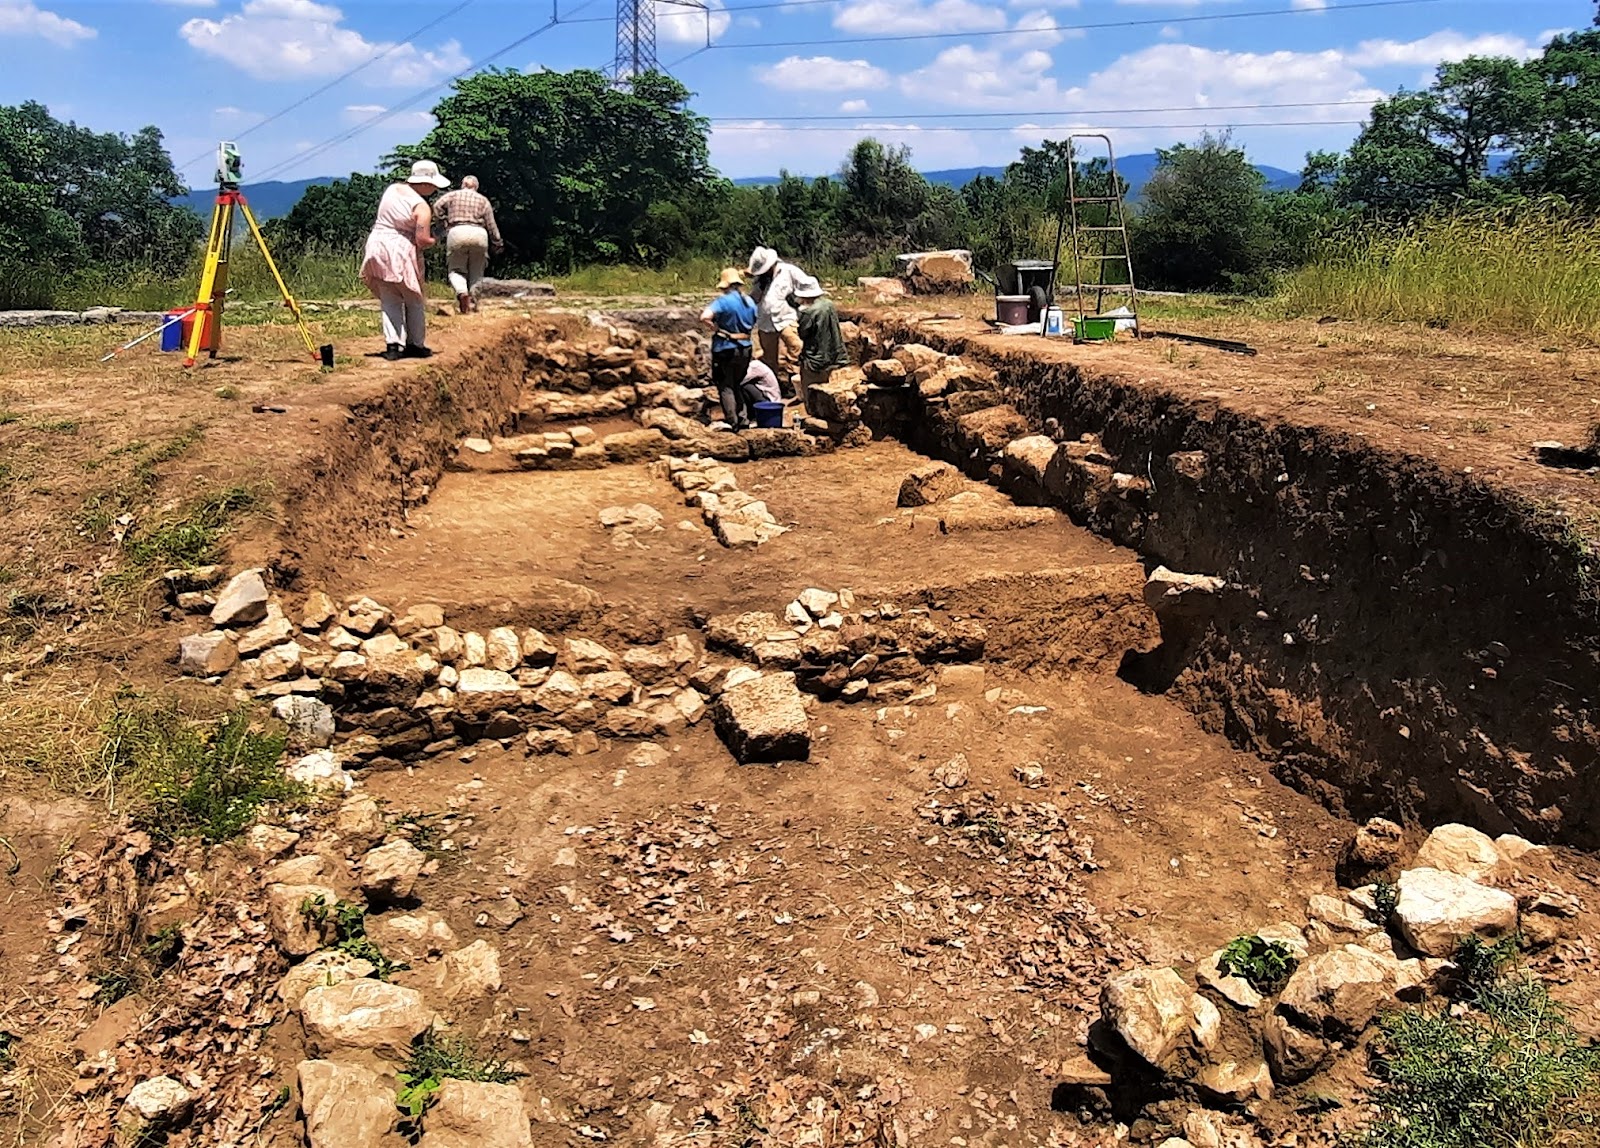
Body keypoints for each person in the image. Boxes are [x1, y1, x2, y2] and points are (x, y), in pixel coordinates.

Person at [361, 160, 449, 360]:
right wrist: (437, 236)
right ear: (426, 184)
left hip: (378, 244)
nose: (435, 189)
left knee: (389, 297)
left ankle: (393, 345)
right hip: (400, 250)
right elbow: (422, 240)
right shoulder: (422, 207)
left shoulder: (392, 190)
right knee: (413, 298)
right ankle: (415, 345)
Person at [432, 175, 504, 314]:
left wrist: (442, 222)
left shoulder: (451, 196)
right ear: (476, 187)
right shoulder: (483, 200)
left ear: (462, 184)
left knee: (456, 269)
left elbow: (436, 206)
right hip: (479, 233)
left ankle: (462, 293)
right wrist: (497, 241)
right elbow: (491, 224)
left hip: (457, 231)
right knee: (477, 271)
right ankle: (472, 301)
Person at [747, 246, 806, 397]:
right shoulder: (760, 280)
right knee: (769, 357)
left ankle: (795, 383)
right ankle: (775, 387)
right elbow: (753, 299)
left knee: (796, 347)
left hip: (787, 317)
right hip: (766, 322)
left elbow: (806, 286)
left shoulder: (789, 271)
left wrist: (800, 302)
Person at [701, 266, 757, 426]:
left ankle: (733, 421)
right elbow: (754, 321)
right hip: (745, 347)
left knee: (725, 386)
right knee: (737, 383)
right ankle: (743, 418)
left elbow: (704, 317)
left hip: (725, 347)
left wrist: (716, 328)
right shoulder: (749, 301)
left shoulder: (723, 301)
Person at [794, 277, 850, 407]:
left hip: (815, 360)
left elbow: (803, 333)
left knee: (813, 397)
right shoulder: (829, 305)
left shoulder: (808, 312)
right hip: (835, 356)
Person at [722, 356, 783, 431]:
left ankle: (748, 417)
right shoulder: (756, 364)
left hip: (769, 399)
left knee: (744, 387)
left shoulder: (754, 366)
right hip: (766, 396)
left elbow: (740, 380)